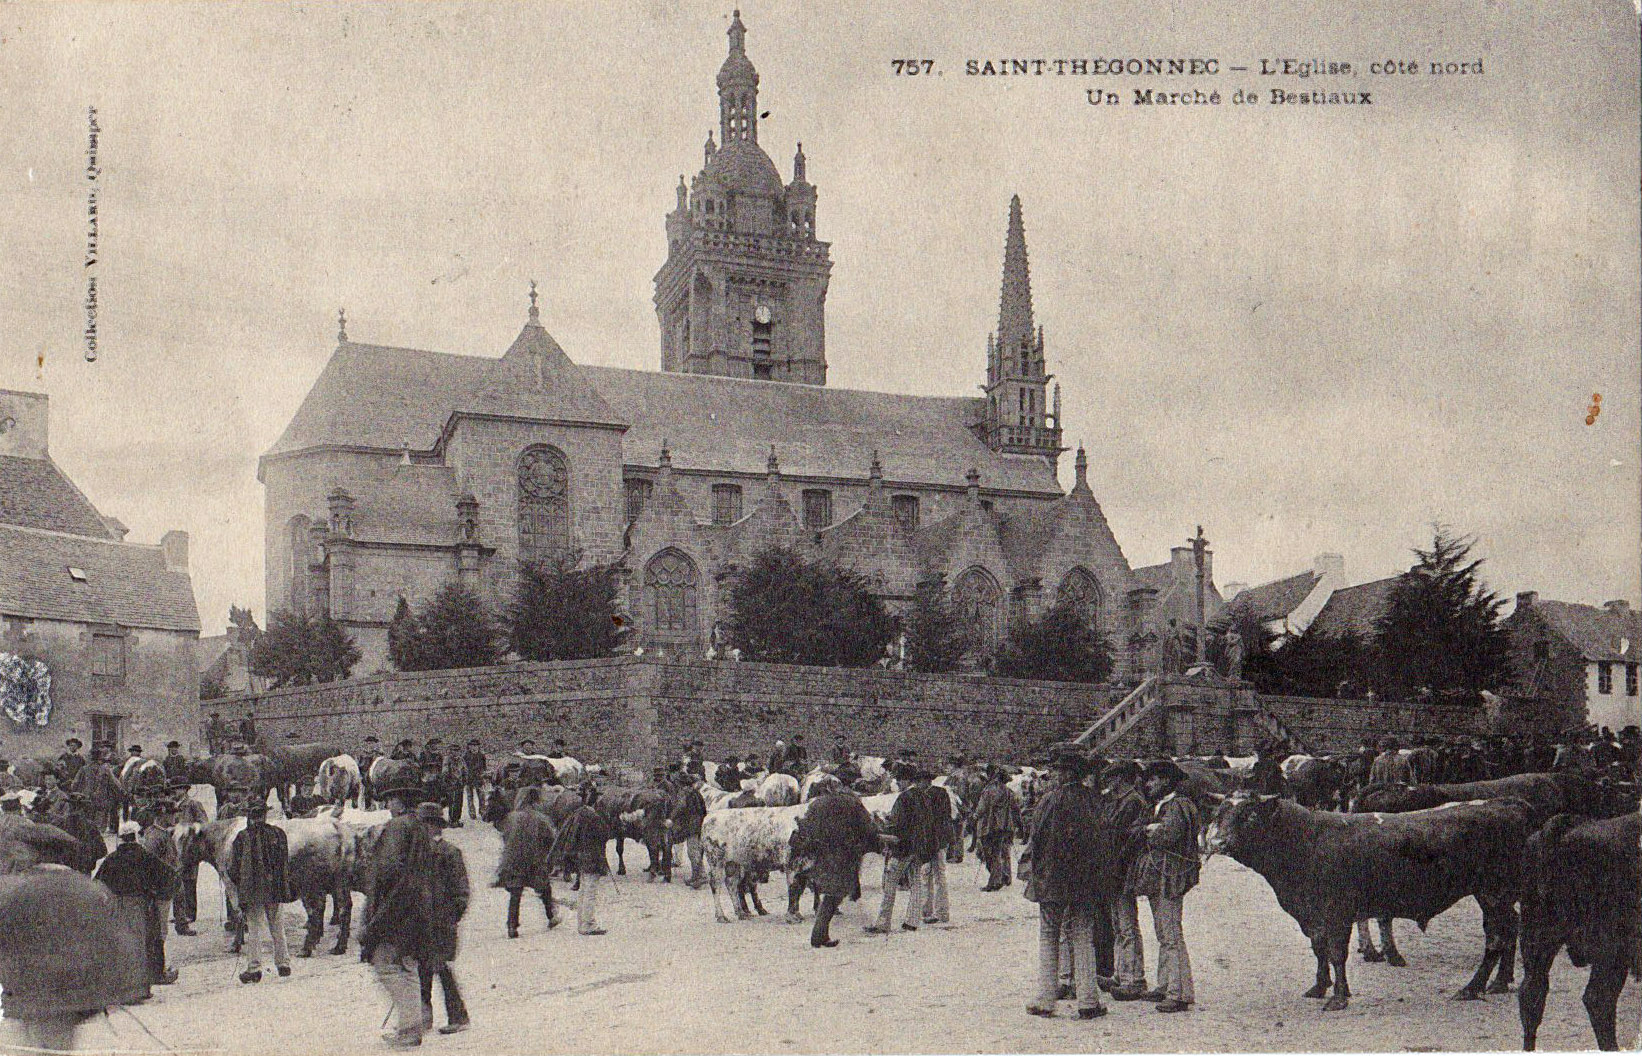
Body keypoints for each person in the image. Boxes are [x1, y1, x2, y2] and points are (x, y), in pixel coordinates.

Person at [1022, 747, 1108, 1019]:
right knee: (1083, 936)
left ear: (1068, 772)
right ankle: (1088, 1001)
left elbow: (1037, 839)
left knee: (1049, 936)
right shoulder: (1093, 801)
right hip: (1084, 881)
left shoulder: (1049, 801)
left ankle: (1046, 999)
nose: (1054, 774)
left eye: (1057, 769)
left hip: (1053, 880)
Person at [361, 778, 436, 1049]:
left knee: (386, 966)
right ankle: (412, 1026)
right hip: (417, 906)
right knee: (406, 968)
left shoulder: (397, 826)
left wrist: (374, 901)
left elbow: (388, 868)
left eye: (391, 798)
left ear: (400, 801)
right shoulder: (419, 827)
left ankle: (408, 1030)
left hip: (395, 906)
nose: (387, 803)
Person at [1128, 760, 1201, 1013]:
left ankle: (1180, 993)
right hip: (1160, 875)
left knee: (1171, 934)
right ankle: (1165, 985)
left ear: (1166, 781)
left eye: (1153, 780)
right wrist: (1150, 829)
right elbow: (1138, 831)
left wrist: (1150, 830)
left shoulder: (1178, 805)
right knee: (1163, 933)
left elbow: (1168, 835)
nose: (1148, 785)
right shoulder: (1160, 806)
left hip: (1171, 875)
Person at [93, 820, 177, 1002]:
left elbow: (97, 883)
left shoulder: (112, 858)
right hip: (140, 905)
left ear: (121, 839)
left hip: (117, 906)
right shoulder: (145, 856)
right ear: (136, 837)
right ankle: (142, 987)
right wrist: (159, 896)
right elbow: (169, 875)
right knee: (144, 943)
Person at [866, 764, 947, 934]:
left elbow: (897, 825)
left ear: (906, 780)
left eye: (898, 780)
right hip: (919, 848)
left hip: (902, 848)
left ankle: (883, 922)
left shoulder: (904, 798)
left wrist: (885, 825)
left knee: (890, 884)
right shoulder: (925, 797)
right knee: (916, 884)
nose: (897, 783)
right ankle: (912, 921)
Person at [790, 790, 877, 947]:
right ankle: (818, 935)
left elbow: (805, 828)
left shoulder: (817, 804)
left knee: (831, 893)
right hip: (844, 855)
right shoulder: (852, 803)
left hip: (823, 856)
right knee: (834, 894)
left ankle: (822, 935)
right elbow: (867, 828)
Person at [1102, 761, 1154, 1001]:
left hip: (1123, 868)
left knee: (1127, 924)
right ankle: (1121, 974)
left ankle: (1134, 978)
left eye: (1113, 778)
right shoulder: (1120, 801)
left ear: (1122, 779)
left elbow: (1115, 833)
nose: (1109, 782)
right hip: (1114, 867)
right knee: (1118, 923)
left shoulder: (1132, 802)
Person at [416, 802, 470, 1035]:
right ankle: (424, 1018)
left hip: (441, 923)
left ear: (434, 826)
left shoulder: (449, 853)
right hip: (422, 922)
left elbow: (461, 893)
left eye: (424, 825)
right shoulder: (418, 854)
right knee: (422, 970)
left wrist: (448, 918)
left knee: (441, 968)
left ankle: (458, 1016)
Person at [228, 800, 292, 985]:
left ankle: (254, 969)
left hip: (253, 890)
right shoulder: (278, 834)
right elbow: (285, 863)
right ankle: (283, 963)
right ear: (265, 815)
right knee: (277, 925)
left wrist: (240, 885)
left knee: (255, 929)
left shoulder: (242, 837)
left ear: (249, 816)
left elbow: (234, 868)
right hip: (275, 889)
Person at [495, 786, 561, 938]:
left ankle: (512, 926)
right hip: (534, 859)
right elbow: (551, 839)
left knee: (515, 893)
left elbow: (504, 835)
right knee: (544, 888)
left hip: (513, 859)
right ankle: (551, 917)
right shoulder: (540, 818)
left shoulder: (511, 817)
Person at [556, 785, 611, 935]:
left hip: (581, 856)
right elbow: (604, 835)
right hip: (593, 857)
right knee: (590, 892)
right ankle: (588, 924)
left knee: (583, 890)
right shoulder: (594, 817)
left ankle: (582, 923)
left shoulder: (579, 814)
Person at [973, 766, 1022, 891]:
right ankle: (1004, 876)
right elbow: (1015, 808)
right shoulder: (1008, 791)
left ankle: (995, 881)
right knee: (1000, 852)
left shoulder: (988, 790)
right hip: (1004, 826)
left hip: (990, 826)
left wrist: (974, 817)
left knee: (989, 854)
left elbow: (981, 808)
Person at [668, 770, 708, 888]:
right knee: (696, 850)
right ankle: (701, 875)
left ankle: (698, 877)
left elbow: (680, 806)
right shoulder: (696, 793)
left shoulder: (684, 792)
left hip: (692, 825)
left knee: (692, 851)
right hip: (700, 823)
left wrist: (671, 818)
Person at [72, 744, 123, 834]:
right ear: (100, 759)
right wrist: (122, 793)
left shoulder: (84, 769)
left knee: (86, 825)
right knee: (99, 828)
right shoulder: (106, 770)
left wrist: (78, 794)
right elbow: (115, 784)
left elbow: (74, 785)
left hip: (86, 800)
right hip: (101, 801)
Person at [461, 739, 487, 822]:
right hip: (469, 778)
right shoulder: (465, 756)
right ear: (469, 747)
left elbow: (484, 767)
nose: (473, 747)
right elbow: (463, 768)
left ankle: (482, 811)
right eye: (471, 746)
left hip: (479, 778)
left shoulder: (482, 756)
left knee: (481, 796)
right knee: (470, 797)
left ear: (478, 746)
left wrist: (483, 776)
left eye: (475, 745)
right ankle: (472, 812)